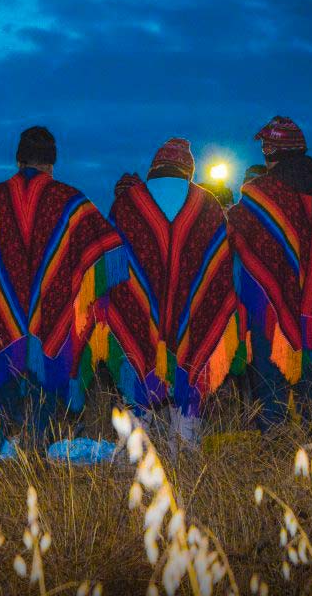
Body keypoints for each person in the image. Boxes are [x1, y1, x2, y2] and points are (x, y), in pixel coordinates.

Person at [0, 126, 126, 437]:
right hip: (52, 320)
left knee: (1, 392)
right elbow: (110, 250)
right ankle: (36, 451)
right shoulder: (71, 202)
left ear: (19, 161)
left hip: (1, 326)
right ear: (51, 163)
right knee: (44, 393)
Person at [95, 139, 241, 446]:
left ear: (154, 168)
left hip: (137, 315)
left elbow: (109, 266)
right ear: (188, 170)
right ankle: (185, 468)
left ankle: (132, 467)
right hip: (194, 315)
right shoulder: (208, 204)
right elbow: (222, 270)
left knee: (137, 391)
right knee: (188, 392)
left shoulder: (128, 203)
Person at [228, 117, 312, 430]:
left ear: (270, 152)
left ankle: (275, 450)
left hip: (272, 307)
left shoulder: (261, 192)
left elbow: (239, 237)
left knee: (272, 389)